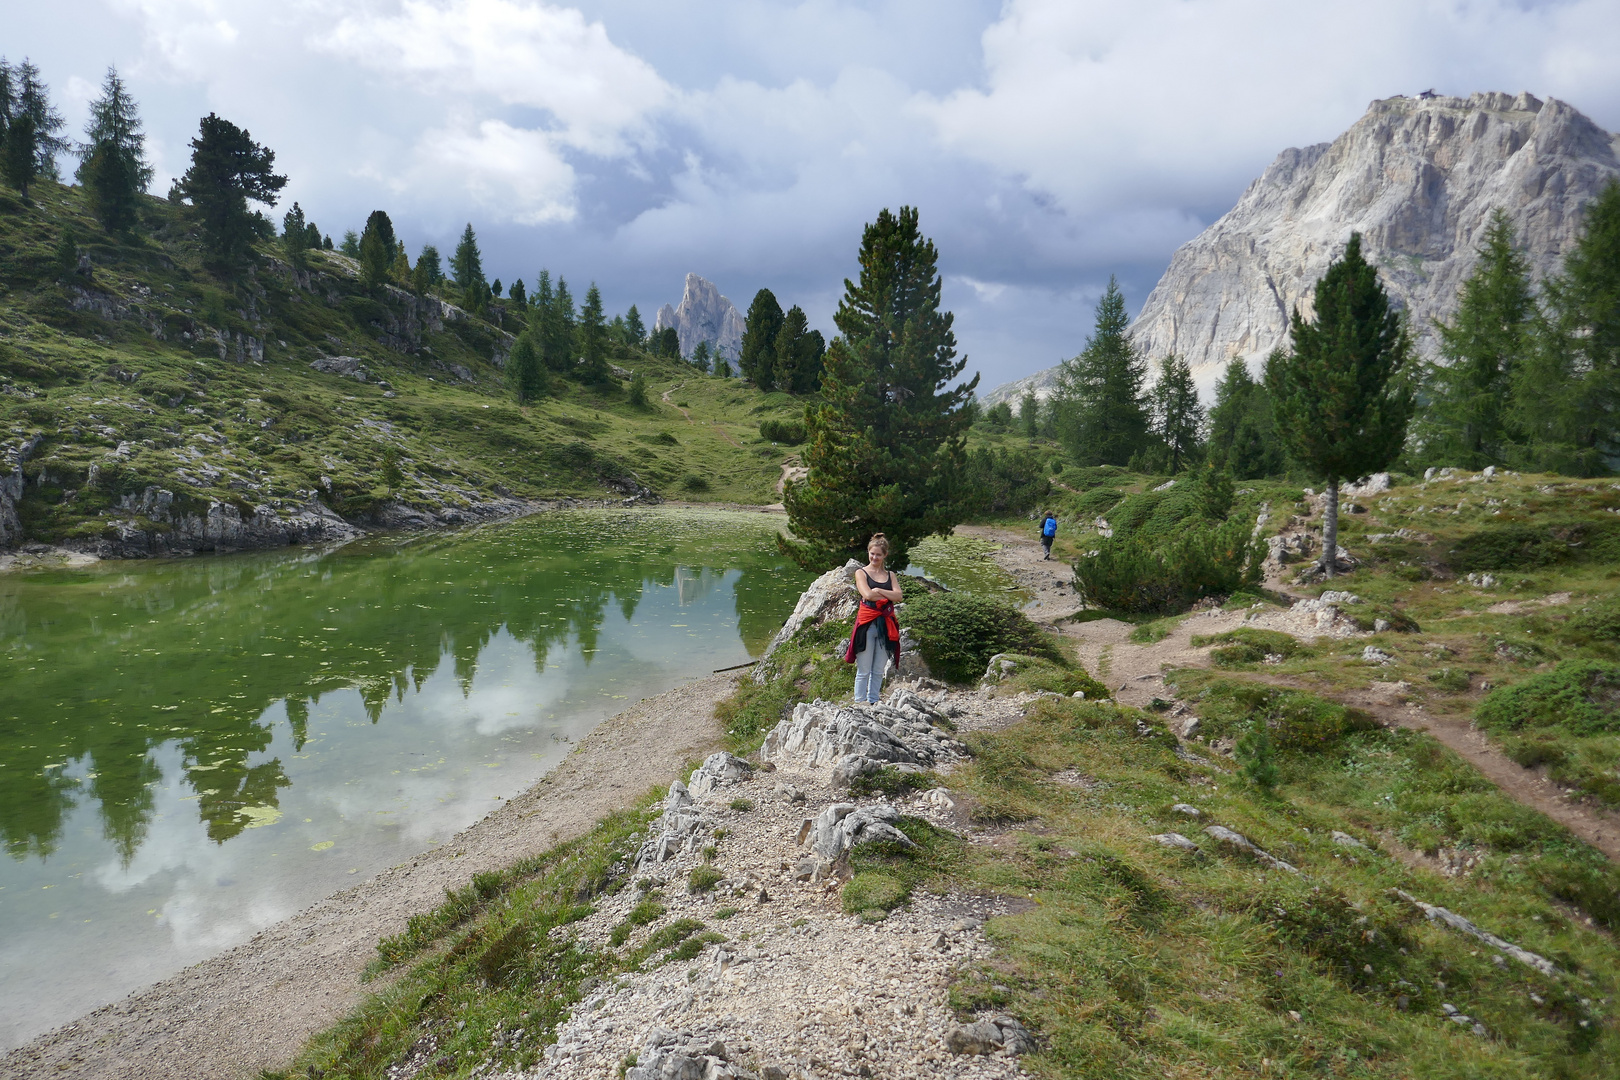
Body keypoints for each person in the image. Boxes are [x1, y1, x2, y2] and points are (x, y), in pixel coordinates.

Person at [844, 533, 902, 704]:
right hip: (867, 625)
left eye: (878, 554)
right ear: (868, 552)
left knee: (878, 669)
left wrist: (880, 591)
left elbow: (899, 596)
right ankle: (860, 703)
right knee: (864, 669)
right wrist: (885, 595)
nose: (874, 557)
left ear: (885, 555)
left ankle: (874, 701)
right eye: (872, 553)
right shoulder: (861, 573)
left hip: (886, 625)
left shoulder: (890, 575)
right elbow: (867, 594)